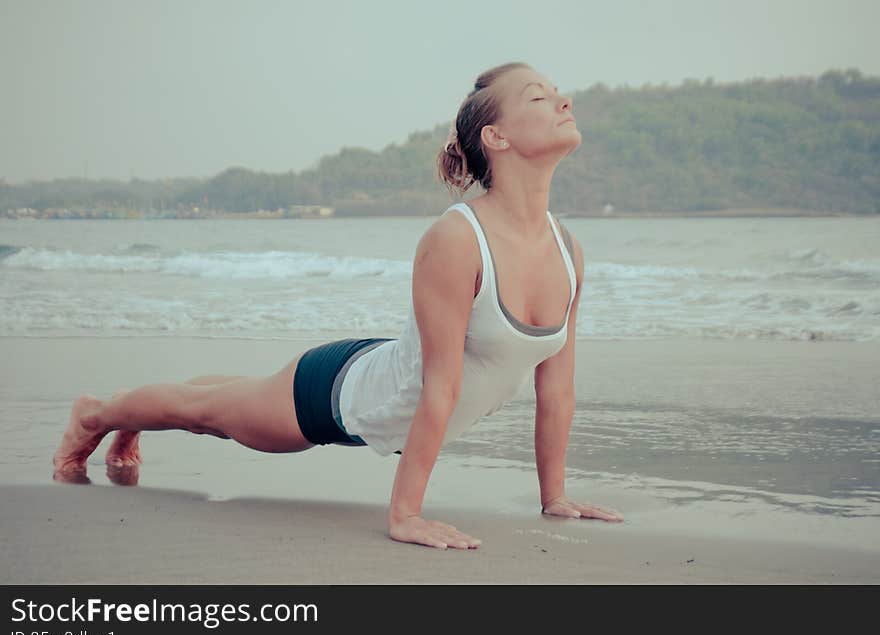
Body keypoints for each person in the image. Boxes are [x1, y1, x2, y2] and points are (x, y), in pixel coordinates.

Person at [53, 61, 624, 550]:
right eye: (538, 97)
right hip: (340, 396)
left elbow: (558, 390)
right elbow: (439, 388)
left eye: (557, 93)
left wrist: (556, 498)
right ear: (496, 137)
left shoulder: (567, 249)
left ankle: (132, 415)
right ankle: (98, 415)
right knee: (206, 415)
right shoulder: (457, 240)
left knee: (221, 399)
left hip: (386, 374)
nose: (563, 100)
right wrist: (404, 515)